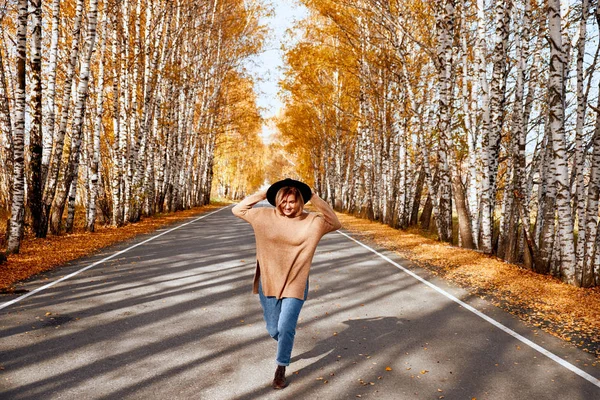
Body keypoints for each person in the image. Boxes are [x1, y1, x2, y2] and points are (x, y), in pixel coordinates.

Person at [232, 178, 342, 390]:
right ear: (277, 201)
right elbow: (239, 209)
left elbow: (335, 223)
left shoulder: (313, 222)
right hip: (269, 281)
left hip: (296, 282)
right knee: (274, 329)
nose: (288, 206)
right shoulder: (263, 216)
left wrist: (314, 197)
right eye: (283, 201)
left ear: (300, 202)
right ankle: (285, 340)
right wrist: (264, 193)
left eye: (292, 201)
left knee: (285, 326)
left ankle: (281, 367)